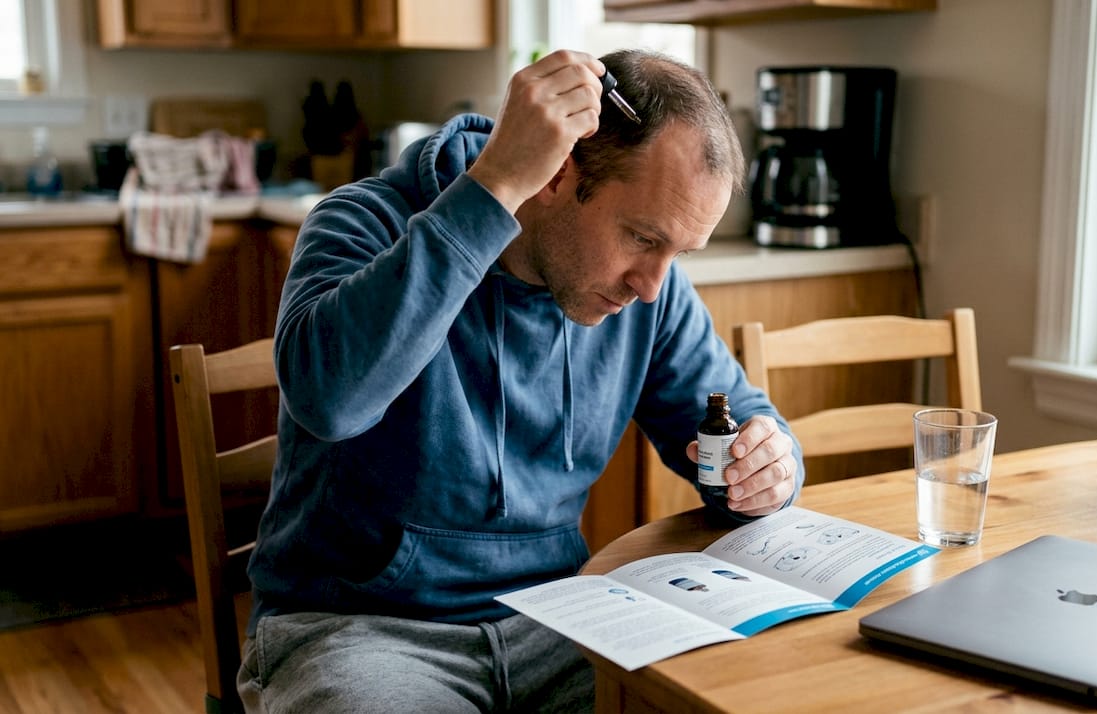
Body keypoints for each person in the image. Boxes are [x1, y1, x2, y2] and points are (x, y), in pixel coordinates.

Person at [238, 48, 805, 713]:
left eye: (678, 252)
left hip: (560, 617)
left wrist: (770, 469)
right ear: (556, 174)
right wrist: (495, 183)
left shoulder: (651, 295)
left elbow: (736, 423)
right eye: (642, 237)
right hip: (358, 631)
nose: (653, 284)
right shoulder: (364, 221)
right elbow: (329, 401)